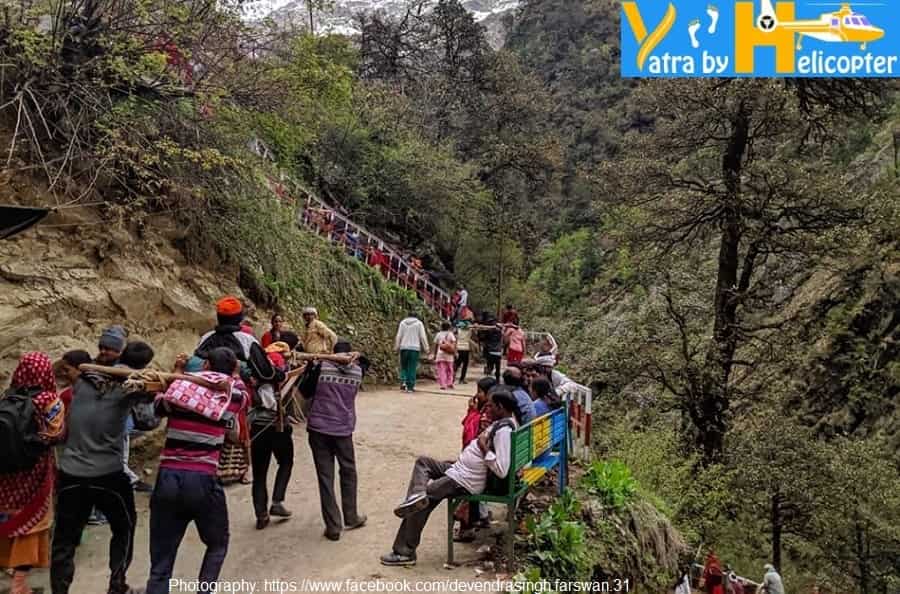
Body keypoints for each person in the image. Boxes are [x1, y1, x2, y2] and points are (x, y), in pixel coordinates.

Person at [51, 333, 155, 594]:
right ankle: (117, 585)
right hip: (107, 473)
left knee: (64, 539)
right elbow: (147, 422)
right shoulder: (129, 387)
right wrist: (152, 397)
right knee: (125, 527)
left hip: (71, 473)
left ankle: (60, 590)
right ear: (140, 367)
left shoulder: (82, 381)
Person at [144, 347, 248, 594]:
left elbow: (159, 403)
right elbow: (242, 390)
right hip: (203, 479)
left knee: (161, 559)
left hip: (168, 477)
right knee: (217, 544)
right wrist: (233, 374)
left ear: (204, 367)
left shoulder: (179, 392)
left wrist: (178, 372)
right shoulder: (231, 399)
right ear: (233, 370)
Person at [380, 387, 520, 567]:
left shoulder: (504, 432)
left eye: (491, 406)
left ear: (501, 407)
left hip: (464, 480)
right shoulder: (504, 422)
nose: (487, 410)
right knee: (423, 463)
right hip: (460, 470)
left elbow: (501, 469)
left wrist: (484, 447)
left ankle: (404, 552)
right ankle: (416, 497)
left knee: (426, 498)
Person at [1, 353, 65, 594]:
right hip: (35, 472)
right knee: (33, 523)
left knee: (6, 517)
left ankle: (7, 568)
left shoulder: (7, 397)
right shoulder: (50, 400)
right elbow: (55, 435)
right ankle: (18, 584)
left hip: (6, 472)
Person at [306, 341, 367, 541]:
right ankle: (351, 516)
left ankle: (333, 526)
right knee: (348, 471)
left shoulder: (321, 367)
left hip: (318, 428)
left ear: (333, 353)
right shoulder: (359, 371)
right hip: (343, 429)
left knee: (326, 476)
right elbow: (367, 361)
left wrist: (316, 362)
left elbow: (306, 391)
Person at [249, 348, 294, 530]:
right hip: (278, 426)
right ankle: (277, 500)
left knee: (259, 474)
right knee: (286, 462)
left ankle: (261, 515)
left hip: (257, 427)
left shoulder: (251, 379)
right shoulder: (281, 379)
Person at [454, 377, 496, 542]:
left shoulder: (486, 414)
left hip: (486, 470)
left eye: (479, 391)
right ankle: (483, 515)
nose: (476, 395)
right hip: (492, 467)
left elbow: (470, 436)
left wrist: (471, 412)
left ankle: (467, 528)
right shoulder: (494, 410)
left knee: (463, 477)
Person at [119, 342, 156, 494]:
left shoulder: (114, 370)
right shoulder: (134, 380)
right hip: (120, 425)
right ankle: (131, 481)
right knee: (120, 458)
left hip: (117, 425)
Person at [395, 312, 429, 393]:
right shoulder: (419, 323)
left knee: (404, 366)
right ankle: (410, 386)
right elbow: (422, 337)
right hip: (414, 348)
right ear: (416, 316)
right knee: (412, 367)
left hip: (404, 347)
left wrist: (396, 346)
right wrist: (426, 348)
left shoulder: (402, 323)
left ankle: (403, 381)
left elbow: (399, 336)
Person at [432, 321, 457, 390]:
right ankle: (449, 383)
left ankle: (443, 384)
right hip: (449, 355)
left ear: (441, 327)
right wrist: (454, 351)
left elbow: (435, 345)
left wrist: (434, 354)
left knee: (441, 370)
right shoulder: (451, 334)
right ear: (449, 327)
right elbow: (454, 343)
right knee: (450, 369)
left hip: (440, 354)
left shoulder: (438, 334)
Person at [477, 317, 503, 381]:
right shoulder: (500, 332)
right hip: (498, 352)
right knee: (497, 368)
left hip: (491, 352)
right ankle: (497, 381)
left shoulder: (489, 332)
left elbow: (482, 337)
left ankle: (489, 380)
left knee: (490, 366)